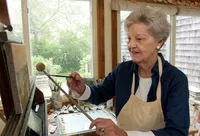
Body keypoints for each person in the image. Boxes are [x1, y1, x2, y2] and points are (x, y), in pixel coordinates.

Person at [67, 6, 190, 136]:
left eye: (139, 39)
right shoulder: (122, 71)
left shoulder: (175, 79)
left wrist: (125, 135)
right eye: (129, 38)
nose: (131, 45)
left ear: (159, 42)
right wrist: (81, 89)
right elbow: (100, 93)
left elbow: (177, 133)